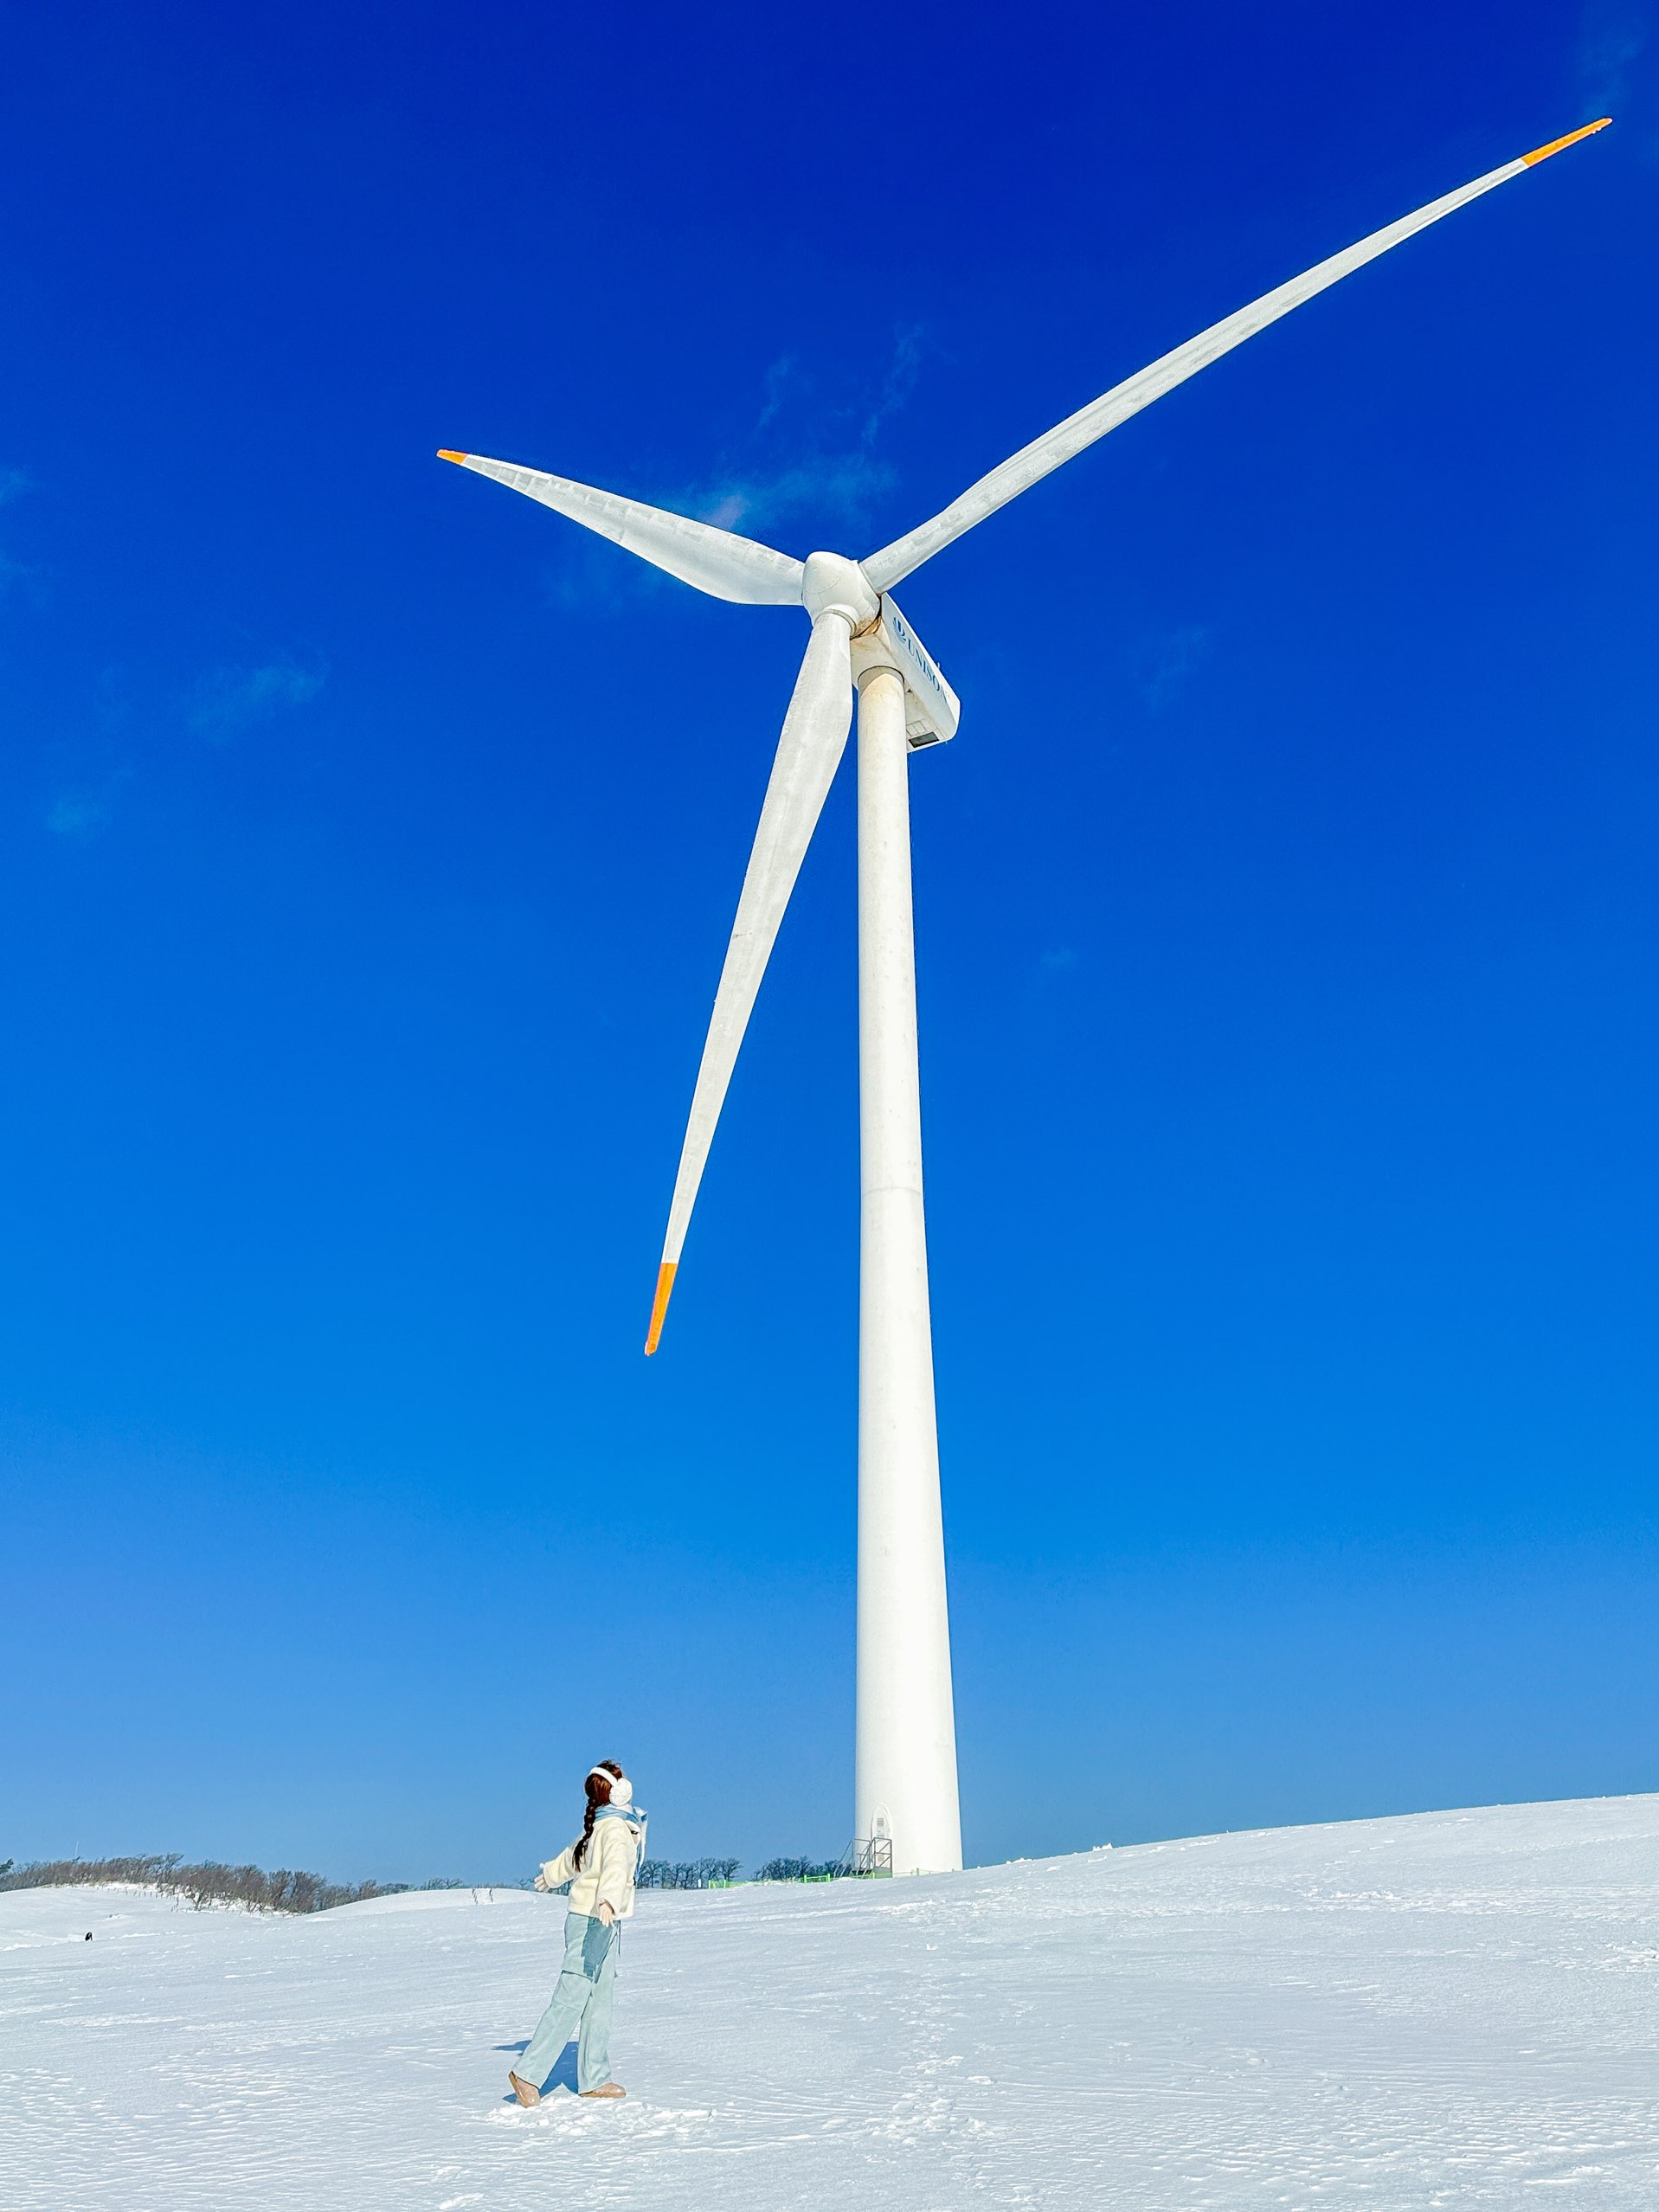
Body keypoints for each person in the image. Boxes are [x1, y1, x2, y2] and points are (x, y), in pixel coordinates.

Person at [509, 1759, 646, 2106]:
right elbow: (616, 1867)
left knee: (600, 1998)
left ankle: (594, 2076)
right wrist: (609, 1902)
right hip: (593, 1919)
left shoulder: (600, 1826)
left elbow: (574, 1858)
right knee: (572, 1995)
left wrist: (551, 1875)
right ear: (618, 1791)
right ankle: (528, 2073)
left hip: (599, 1920)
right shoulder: (615, 1829)